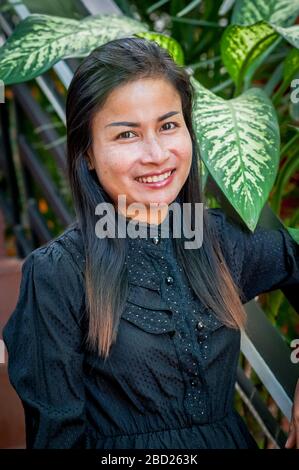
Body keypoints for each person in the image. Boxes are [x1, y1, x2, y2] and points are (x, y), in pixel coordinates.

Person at [3, 37, 299, 449]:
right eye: (127, 135)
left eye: (168, 125)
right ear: (87, 152)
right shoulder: (58, 274)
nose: (157, 154)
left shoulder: (218, 240)